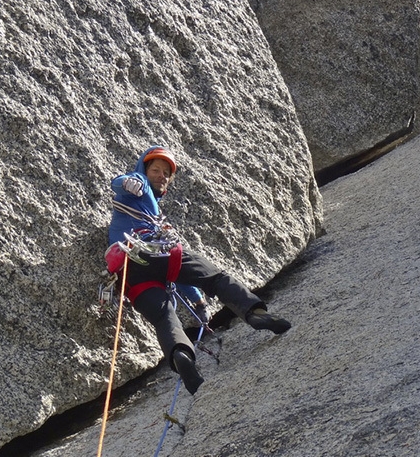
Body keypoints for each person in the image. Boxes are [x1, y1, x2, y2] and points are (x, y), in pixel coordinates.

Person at [106, 145, 291, 394]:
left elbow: (174, 275)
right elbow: (119, 182)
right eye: (155, 170)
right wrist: (128, 182)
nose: (160, 175)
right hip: (154, 249)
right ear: (144, 170)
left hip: (132, 273)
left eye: (166, 173)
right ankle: (255, 312)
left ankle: (181, 355)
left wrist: (198, 302)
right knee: (216, 278)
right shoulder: (138, 186)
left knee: (164, 317)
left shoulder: (151, 208)